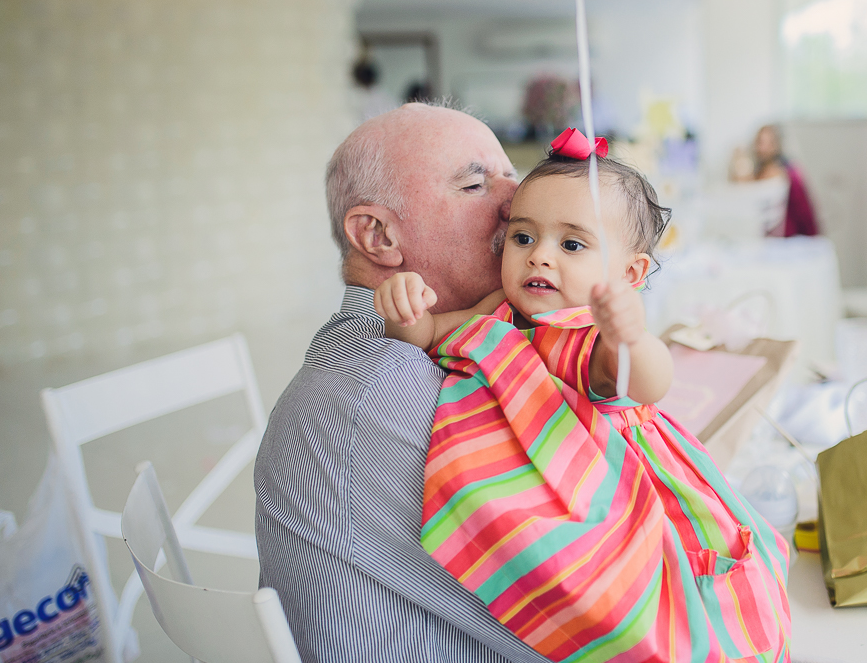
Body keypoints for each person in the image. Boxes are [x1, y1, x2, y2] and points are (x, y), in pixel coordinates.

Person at [374, 129, 791, 663]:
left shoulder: (583, 332)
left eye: (571, 244)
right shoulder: (496, 311)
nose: (538, 258)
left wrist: (631, 339)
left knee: (661, 608)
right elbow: (425, 335)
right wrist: (403, 312)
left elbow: (650, 382)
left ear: (630, 273)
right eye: (523, 238)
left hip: (618, 494)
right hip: (541, 500)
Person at [254, 103, 548, 663]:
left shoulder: (424, 346)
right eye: (475, 183)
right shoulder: (391, 388)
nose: (518, 198)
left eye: (511, 173)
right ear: (378, 235)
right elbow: (583, 607)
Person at [735, 124, 820, 238]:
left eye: (766, 143)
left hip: (789, 236)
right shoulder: (766, 168)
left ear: (776, 144)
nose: (761, 148)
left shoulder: (782, 172)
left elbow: (748, 188)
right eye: (759, 142)